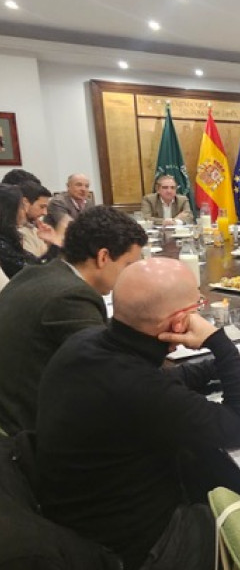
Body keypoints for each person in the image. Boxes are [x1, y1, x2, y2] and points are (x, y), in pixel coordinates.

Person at [36, 258, 240, 570]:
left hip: (77, 520)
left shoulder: (87, 344)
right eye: (197, 305)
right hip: (133, 551)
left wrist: (215, 367)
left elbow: (160, 384)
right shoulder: (137, 388)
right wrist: (219, 345)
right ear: (179, 322)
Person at [0, 206, 147, 435]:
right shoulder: (71, 297)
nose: (133, 274)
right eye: (129, 265)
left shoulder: (39, 273)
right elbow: (112, 373)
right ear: (103, 257)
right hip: (24, 434)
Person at [0, 184, 62, 279]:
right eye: (21, 206)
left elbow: (37, 264)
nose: (24, 211)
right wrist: (55, 245)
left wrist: (53, 244)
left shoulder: (9, 238)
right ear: (9, 210)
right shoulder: (3, 244)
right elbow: (34, 274)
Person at [18, 180, 55, 256]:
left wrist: (50, 242)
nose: (45, 213)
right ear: (25, 203)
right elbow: (36, 265)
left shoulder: (35, 229)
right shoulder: (17, 233)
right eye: (42, 207)